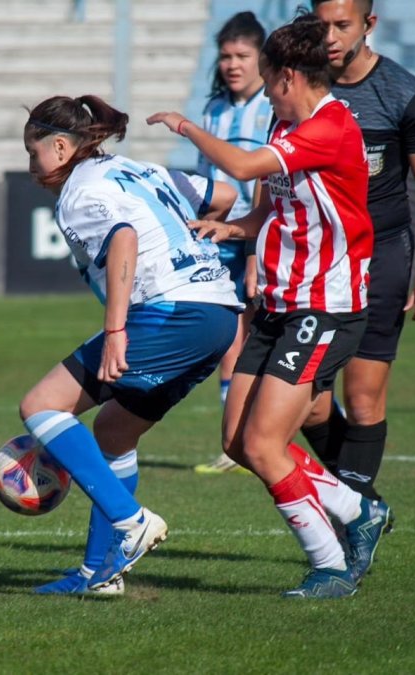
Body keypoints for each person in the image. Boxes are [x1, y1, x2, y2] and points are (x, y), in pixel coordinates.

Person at [149, 14, 390, 599]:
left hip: (325, 307)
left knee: (263, 444)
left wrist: (184, 126)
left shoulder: (329, 127)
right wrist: (234, 228)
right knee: (239, 443)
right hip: (282, 303)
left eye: (264, 78)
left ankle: (330, 564)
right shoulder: (290, 126)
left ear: (285, 77)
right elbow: (280, 204)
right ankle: (359, 510)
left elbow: (243, 166)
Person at [20, 94, 242, 595]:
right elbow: (223, 193)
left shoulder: (80, 192)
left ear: (59, 147)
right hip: (219, 313)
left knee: (40, 405)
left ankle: (130, 520)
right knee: (115, 431)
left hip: (172, 313)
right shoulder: (139, 170)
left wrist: (117, 329)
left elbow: (123, 237)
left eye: (33, 153)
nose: (31, 166)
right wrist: (195, 235)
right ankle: (100, 575)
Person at [299, 0, 415, 535]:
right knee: (310, 406)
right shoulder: (302, 87)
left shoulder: (403, 93)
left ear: (370, 24)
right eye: (322, 26)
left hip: (381, 256)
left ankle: (353, 522)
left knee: (362, 399)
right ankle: (365, 504)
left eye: (343, 25)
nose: (332, 36)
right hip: (315, 260)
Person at [193, 11, 273, 475]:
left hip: (261, 233)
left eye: (242, 55)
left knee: (263, 334)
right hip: (221, 234)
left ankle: (301, 422)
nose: (232, 64)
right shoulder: (215, 108)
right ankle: (234, 443)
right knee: (229, 336)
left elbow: (267, 174)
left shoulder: (272, 105)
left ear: (261, 58)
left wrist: (256, 247)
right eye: (225, 56)